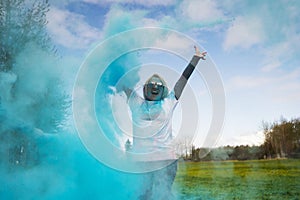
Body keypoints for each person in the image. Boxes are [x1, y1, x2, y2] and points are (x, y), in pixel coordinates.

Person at [123, 46, 206, 199]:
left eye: (158, 85)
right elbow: (122, 81)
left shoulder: (169, 101)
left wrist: (195, 59)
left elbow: (183, 79)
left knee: (164, 195)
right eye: (151, 85)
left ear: (163, 89)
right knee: (143, 195)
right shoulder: (135, 101)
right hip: (141, 161)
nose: (155, 87)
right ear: (145, 89)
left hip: (166, 160)